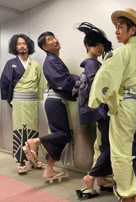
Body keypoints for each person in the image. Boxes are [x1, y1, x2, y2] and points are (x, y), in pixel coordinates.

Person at [88, 8, 136, 202]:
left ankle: (127, 195)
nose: (116, 31)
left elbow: (105, 81)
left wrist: (100, 102)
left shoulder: (121, 53)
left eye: (120, 27)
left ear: (132, 30)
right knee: (135, 150)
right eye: (116, 27)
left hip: (126, 106)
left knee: (121, 153)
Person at [22, 31, 79, 183]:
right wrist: (81, 82)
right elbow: (63, 82)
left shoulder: (54, 60)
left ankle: (48, 170)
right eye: (49, 39)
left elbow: (65, 79)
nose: (54, 40)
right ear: (45, 47)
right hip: (54, 102)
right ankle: (35, 141)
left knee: (59, 136)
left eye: (54, 37)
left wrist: (77, 80)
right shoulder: (51, 61)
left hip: (55, 102)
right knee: (63, 134)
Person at [73, 22, 113, 200]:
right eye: (98, 45)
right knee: (107, 147)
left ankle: (101, 178)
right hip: (102, 112)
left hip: (97, 112)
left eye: (102, 45)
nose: (101, 48)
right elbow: (98, 85)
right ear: (89, 46)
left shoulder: (92, 64)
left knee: (104, 145)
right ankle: (91, 177)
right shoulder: (92, 64)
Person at [0, 34, 44, 174]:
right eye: (19, 44)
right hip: (18, 101)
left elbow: (41, 84)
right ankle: (21, 161)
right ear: (15, 47)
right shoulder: (10, 64)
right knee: (19, 130)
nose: (22, 46)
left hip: (32, 102)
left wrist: (39, 97)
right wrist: (10, 99)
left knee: (33, 130)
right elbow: (4, 82)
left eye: (24, 43)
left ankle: (33, 160)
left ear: (28, 46)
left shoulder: (36, 65)